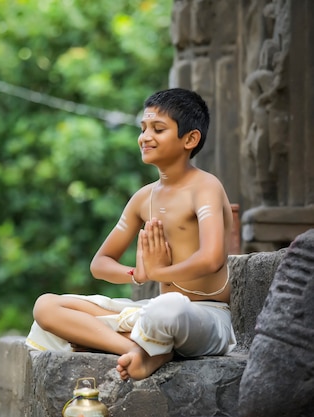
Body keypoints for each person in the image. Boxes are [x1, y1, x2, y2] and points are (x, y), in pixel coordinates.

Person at [25, 88, 236, 381]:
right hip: (151, 312)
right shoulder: (143, 198)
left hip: (203, 316)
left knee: (168, 310)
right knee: (46, 306)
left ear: (190, 139)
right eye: (143, 128)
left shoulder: (205, 187)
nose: (145, 137)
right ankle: (138, 350)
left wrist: (161, 271)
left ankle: (129, 342)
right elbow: (100, 264)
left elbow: (212, 258)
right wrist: (139, 274)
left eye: (158, 129)